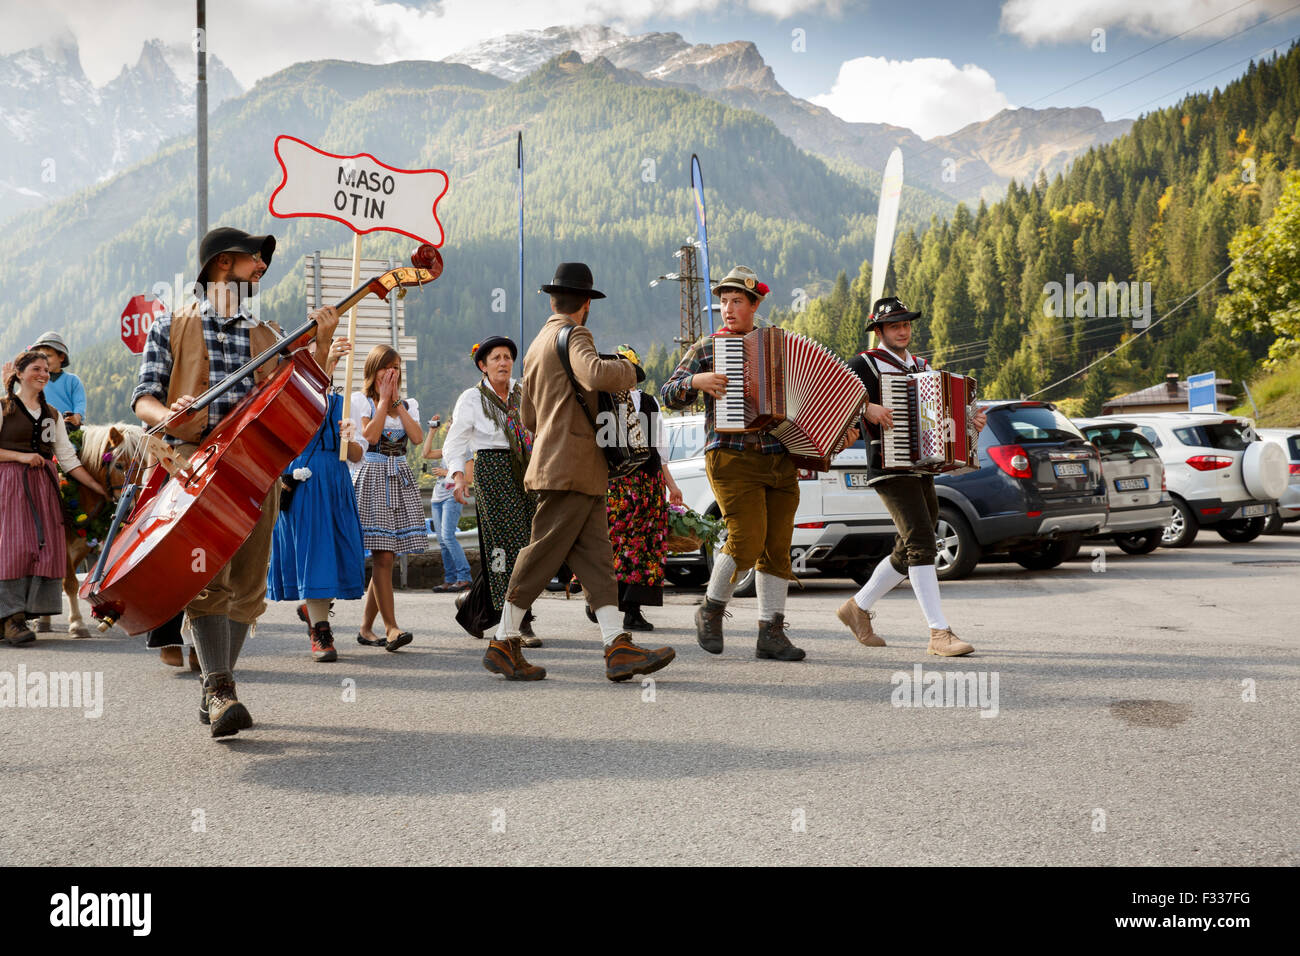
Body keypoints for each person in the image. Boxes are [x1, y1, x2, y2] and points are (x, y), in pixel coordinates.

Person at [131, 226, 339, 736]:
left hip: (254, 467)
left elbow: (308, 395)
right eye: (254, 260)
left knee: (248, 584)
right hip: (193, 464)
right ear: (222, 263)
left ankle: (214, 683)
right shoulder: (171, 326)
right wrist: (169, 411)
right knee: (205, 578)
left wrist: (325, 338)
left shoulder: (267, 333)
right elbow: (143, 400)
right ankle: (221, 688)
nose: (262, 268)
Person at [487, 262, 676, 682]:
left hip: (567, 466)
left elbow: (529, 417)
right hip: (571, 467)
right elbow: (593, 372)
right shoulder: (575, 334)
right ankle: (503, 641)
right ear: (586, 304)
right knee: (541, 553)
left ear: (553, 299)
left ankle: (617, 646)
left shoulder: (537, 343)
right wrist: (628, 370)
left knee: (597, 562)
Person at [662, 266, 854, 661]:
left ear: (754, 305)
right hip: (731, 457)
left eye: (736, 302)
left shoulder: (779, 348)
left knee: (778, 549)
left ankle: (771, 632)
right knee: (746, 540)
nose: (728, 309)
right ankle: (710, 609)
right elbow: (669, 394)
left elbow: (813, 399)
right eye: (724, 302)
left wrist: (836, 435)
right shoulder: (708, 348)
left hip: (780, 459)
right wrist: (694, 383)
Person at [838, 296, 986, 657]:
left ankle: (856, 608)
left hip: (920, 464)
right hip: (887, 465)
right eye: (894, 325)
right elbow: (831, 396)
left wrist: (969, 424)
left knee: (911, 544)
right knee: (921, 538)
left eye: (905, 325)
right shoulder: (864, 364)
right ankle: (939, 632)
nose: (902, 331)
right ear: (879, 330)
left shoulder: (921, 366)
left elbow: (938, 416)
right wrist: (866, 406)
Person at [267, 337, 367, 662]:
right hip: (304, 482)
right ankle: (320, 630)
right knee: (315, 552)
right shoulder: (291, 400)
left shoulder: (342, 403)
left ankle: (315, 609)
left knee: (334, 552)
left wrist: (349, 439)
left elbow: (354, 455)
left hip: (336, 481)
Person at [1, 351, 107, 645]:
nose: (44, 374)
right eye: (36, 368)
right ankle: (11, 618)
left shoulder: (53, 414)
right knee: (14, 548)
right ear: (19, 374)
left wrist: (97, 487)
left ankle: (25, 613)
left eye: (47, 370)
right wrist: (22, 457)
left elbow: (67, 458)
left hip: (44, 487)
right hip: (9, 484)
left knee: (43, 548)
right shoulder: (5, 408)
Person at [442, 336, 541, 645]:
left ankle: (474, 604)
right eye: (496, 358)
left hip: (525, 470)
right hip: (492, 471)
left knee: (527, 544)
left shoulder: (523, 393)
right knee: (507, 548)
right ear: (483, 366)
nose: (503, 362)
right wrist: (459, 476)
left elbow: (539, 429)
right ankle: (520, 620)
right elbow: (455, 443)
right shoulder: (472, 398)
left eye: (507, 357)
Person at [585, 345, 684, 631]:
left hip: (648, 485)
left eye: (626, 370)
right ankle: (601, 599)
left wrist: (672, 485)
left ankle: (633, 610)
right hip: (614, 486)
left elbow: (659, 449)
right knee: (612, 543)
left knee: (646, 548)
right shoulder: (601, 402)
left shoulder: (650, 403)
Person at [350, 345, 424, 651]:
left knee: (387, 554)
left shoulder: (409, 403)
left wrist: (398, 405)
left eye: (395, 367)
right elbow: (370, 437)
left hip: (400, 478)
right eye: (385, 367)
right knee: (383, 555)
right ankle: (391, 627)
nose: (391, 373)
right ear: (373, 370)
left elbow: (417, 438)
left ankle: (366, 628)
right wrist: (382, 402)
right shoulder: (360, 400)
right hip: (373, 477)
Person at [421, 410, 472, 594]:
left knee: (448, 536)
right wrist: (432, 431)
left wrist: (445, 473)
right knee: (442, 540)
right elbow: (425, 453)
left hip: (452, 496)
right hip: (437, 497)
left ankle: (464, 577)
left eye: (453, 429)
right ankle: (450, 579)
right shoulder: (447, 450)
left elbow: (469, 477)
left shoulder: (466, 451)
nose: (450, 432)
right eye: (448, 429)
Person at [29, 332, 86, 429]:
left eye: (48, 356)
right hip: (40, 428)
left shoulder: (72, 380)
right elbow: (22, 400)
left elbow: (80, 402)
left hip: (67, 428)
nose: (44, 361)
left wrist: (77, 416)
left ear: (61, 357)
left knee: (72, 444)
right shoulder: (35, 381)